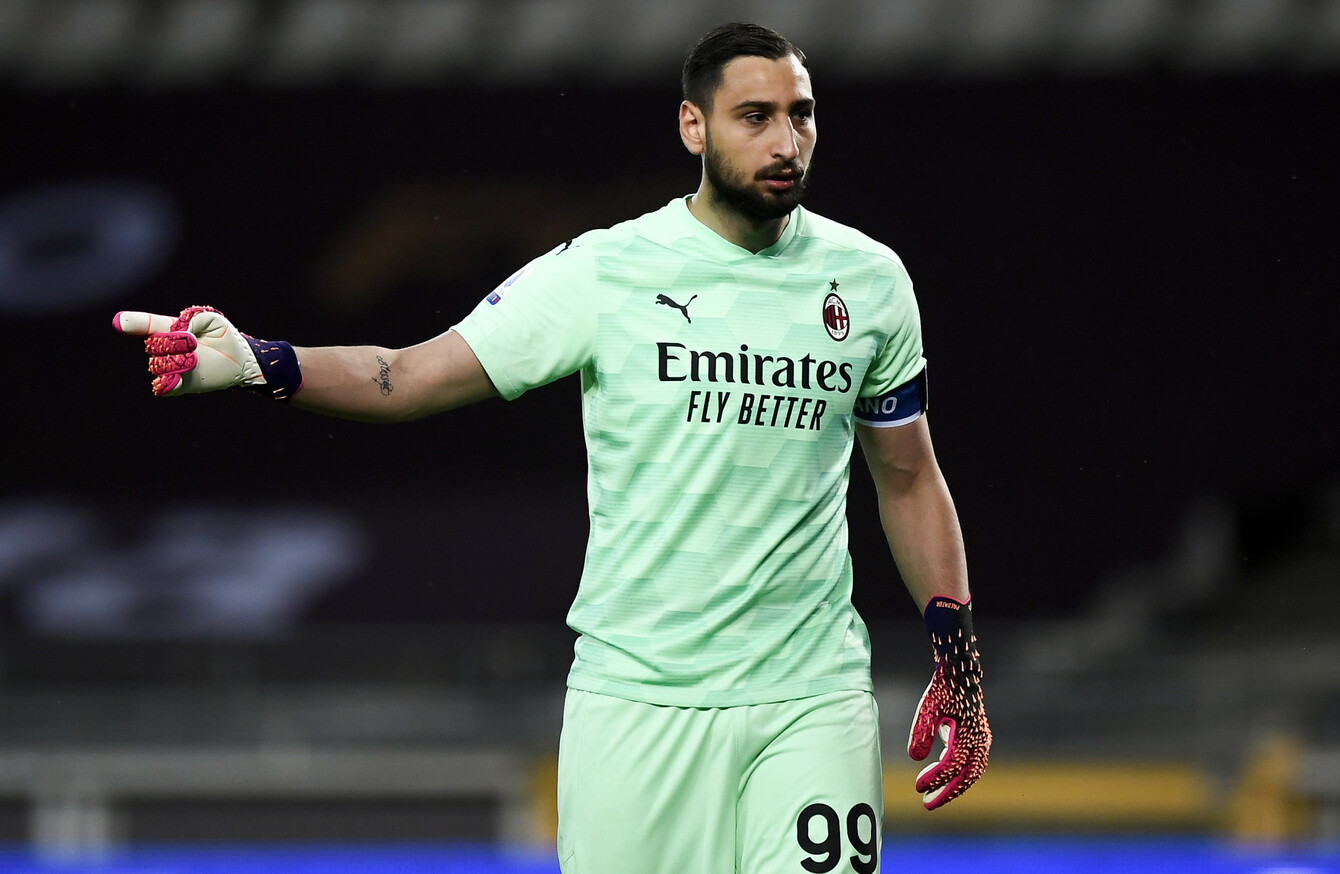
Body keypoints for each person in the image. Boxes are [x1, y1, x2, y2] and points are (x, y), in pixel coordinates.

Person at [114, 22, 990, 874]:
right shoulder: (606, 271)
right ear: (694, 126)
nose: (785, 141)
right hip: (637, 702)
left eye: (800, 114)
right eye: (754, 116)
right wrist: (263, 362)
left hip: (811, 696)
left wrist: (957, 662)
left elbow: (909, 477)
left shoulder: (869, 282)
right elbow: (409, 375)